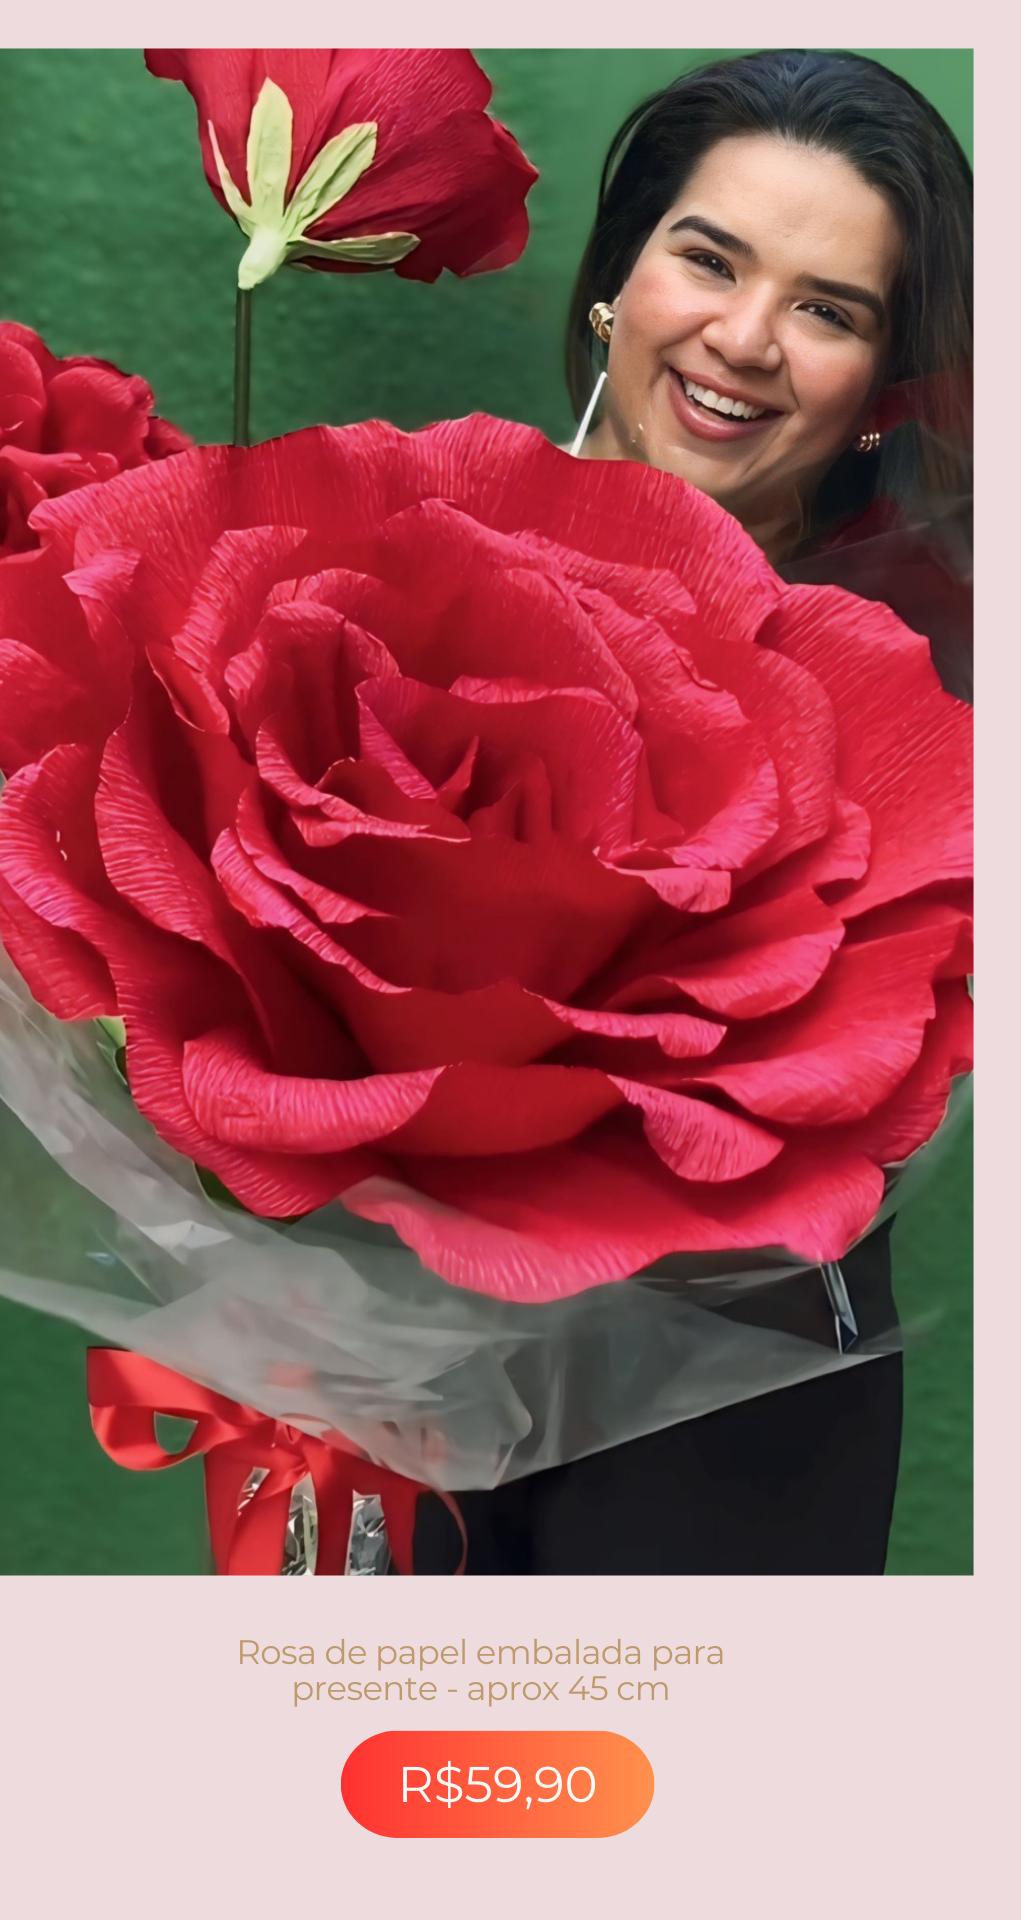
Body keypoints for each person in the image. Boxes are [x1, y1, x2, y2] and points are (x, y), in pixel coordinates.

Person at [414, 48, 973, 1575]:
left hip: (734, 1382)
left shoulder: (925, 694)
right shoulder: (400, 560)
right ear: (616, 278)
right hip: (386, 1363)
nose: (744, 339)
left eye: (829, 310)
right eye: (710, 259)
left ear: (881, 389)